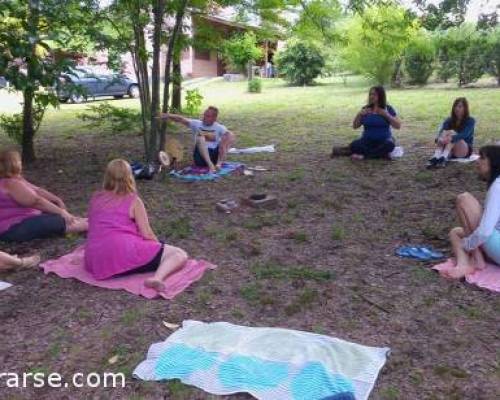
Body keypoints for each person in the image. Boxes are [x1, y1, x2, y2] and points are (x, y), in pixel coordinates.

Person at [84, 159, 188, 292]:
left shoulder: (96, 197)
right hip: (121, 252)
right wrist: (157, 248)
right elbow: (147, 234)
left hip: (94, 259)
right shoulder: (133, 201)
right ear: (130, 176)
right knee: (179, 254)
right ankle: (157, 278)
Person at [0, 149, 87, 242]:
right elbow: (36, 201)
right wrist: (62, 212)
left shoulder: (16, 180)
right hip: (13, 228)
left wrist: (56, 200)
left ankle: (85, 222)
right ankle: (89, 226)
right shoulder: (10, 183)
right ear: (13, 164)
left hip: (25, 219)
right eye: (19, 161)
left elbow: (38, 190)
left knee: (59, 215)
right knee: (60, 221)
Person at [446, 145, 500, 279]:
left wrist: (467, 244)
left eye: (482, 157)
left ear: (494, 162)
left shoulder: (498, 186)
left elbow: (485, 231)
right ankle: (465, 262)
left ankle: (476, 259)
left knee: (463, 199)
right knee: (455, 233)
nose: (477, 161)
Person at [331, 86, 401, 160]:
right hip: (367, 141)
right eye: (370, 94)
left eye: (374, 94)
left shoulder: (388, 109)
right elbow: (355, 126)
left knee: (390, 145)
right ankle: (381, 154)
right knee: (354, 145)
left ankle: (364, 156)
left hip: (384, 140)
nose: (371, 96)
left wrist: (386, 115)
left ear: (381, 96)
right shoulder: (366, 109)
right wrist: (359, 115)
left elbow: (398, 126)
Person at [158, 106, 236, 173]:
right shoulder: (197, 124)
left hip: (214, 156)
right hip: (200, 157)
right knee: (200, 137)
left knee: (227, 136)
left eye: (208, 116)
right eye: (204, 115)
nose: (204, 117)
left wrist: (226, 140)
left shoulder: (219, 127)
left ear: (214, 118)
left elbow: (231, 136)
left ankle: (219, 164)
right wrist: (168, 115)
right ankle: (210, 165)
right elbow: (181, 119)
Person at [427, 97, 475, 169]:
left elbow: (465, 135)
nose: (457, 108)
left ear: (465, 108)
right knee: (444, 132)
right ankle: (438, 157)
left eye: (460, 106)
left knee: (452, 133)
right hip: (450, 150)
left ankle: (442, 157)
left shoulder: (470, 120)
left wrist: (451, 138)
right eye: (455, 106)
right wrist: (439, 139)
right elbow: (441, 132)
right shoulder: (449, 120)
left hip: (464, 150)